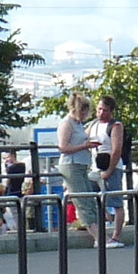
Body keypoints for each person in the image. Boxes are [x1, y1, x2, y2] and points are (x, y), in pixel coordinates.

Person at [56, 92, 101, 245]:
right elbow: (63, 147)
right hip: (71, 164)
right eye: (84, 111)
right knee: (83, 201)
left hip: (81, 164)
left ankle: (97, 233)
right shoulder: (67, 123)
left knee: (90, 199)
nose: (85, 115)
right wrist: (84, 146)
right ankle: (98, 238)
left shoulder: (78, 124)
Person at [89, 94, 128, 247]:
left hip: (111, 167)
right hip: (95, 167)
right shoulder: (94, 125)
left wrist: (110, 170)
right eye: (99, 109)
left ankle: (116, 236)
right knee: (92, 199)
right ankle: (100, 234)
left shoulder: (115, 126)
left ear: (111, 111)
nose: (101, 113)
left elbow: (117, 149)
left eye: (104, 110)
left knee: (116, 202)